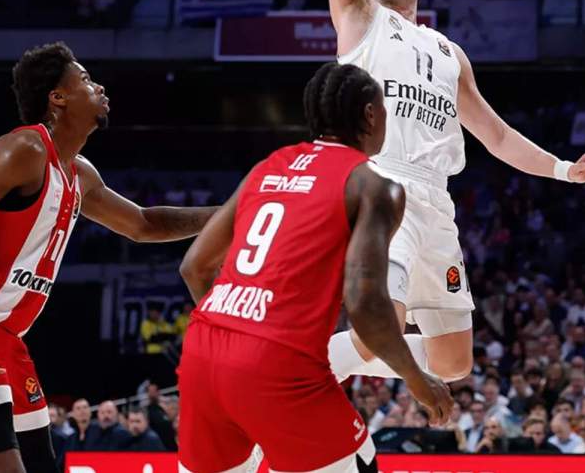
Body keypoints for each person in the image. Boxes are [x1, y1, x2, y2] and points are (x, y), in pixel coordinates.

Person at [322, 0, 585, 386]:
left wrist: (566, 170)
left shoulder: (449, 52)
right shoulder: (360, 20)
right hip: (382, 185)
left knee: (454, 363)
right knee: (375, 331)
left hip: (437, 200)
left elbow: (497, 136)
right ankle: (297, 369)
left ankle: (319, 363)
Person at [0, 42, 219, 473]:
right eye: (86, 79)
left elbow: (144, 224)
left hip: (5, 335)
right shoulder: (23, 151)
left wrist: (231, 215)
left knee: (41, 467)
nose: (99, 86)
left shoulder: (79, 173)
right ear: (58, 97)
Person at [176, 62, 453, 473]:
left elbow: (194, 266)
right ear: (371, 115)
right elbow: (365, 303)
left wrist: (237, 327)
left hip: (203, 351)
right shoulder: (374, 185)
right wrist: (416, 379)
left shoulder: (268, 167)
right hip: (277, 364)